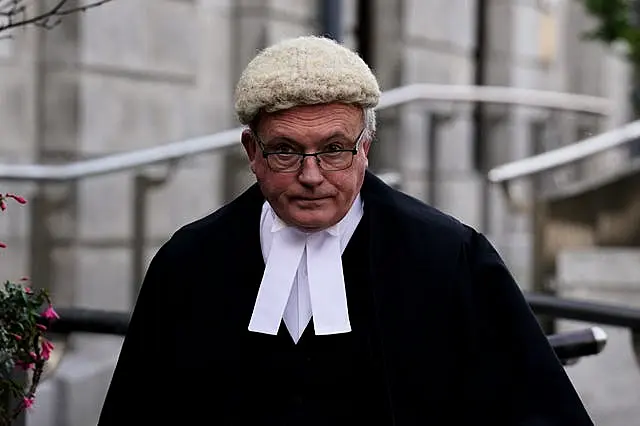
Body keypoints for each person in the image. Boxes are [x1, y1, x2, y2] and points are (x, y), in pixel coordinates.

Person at [97, 36, 593, 425]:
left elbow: (538, 410)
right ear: (252, 152)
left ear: (366, 147)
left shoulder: (447, 256)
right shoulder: (190, 263)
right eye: (285, 150)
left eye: (334, 148)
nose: (311, 176)